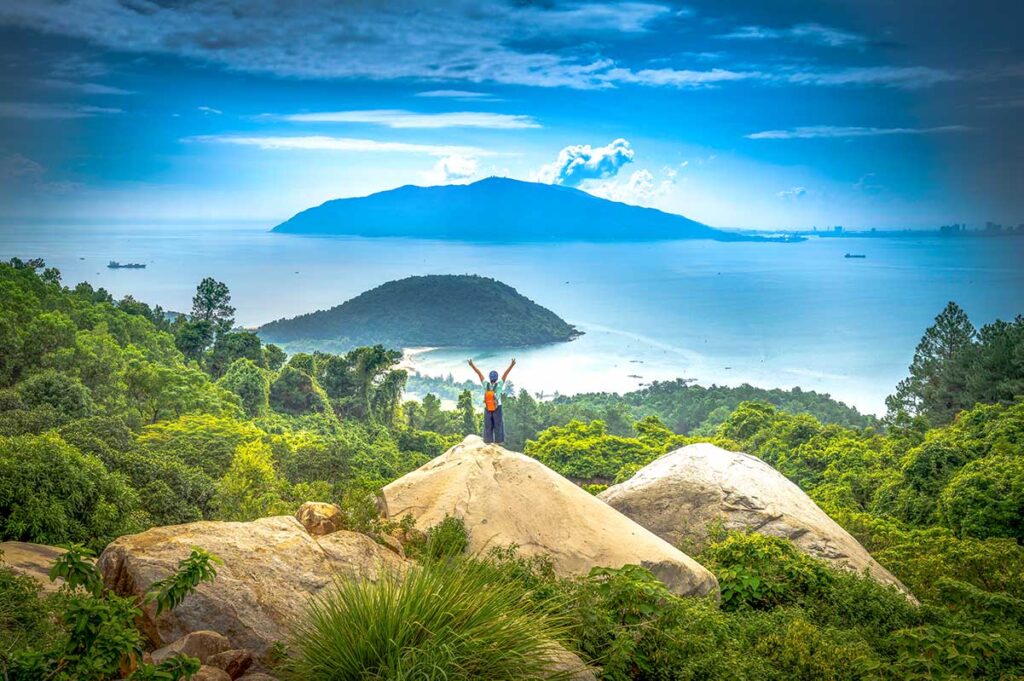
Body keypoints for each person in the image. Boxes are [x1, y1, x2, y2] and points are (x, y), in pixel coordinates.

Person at [467, 357, 515, 444]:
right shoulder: (499, 384)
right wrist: (512, 365)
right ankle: (499, 442)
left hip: (487, 407)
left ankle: (487, 441)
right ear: (496, 378)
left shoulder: (486, 384)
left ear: (489, 378)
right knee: (498, 424)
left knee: (488, 425)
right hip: (497, 407)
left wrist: (471, 365)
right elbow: (505, 374)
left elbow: (479, 374)